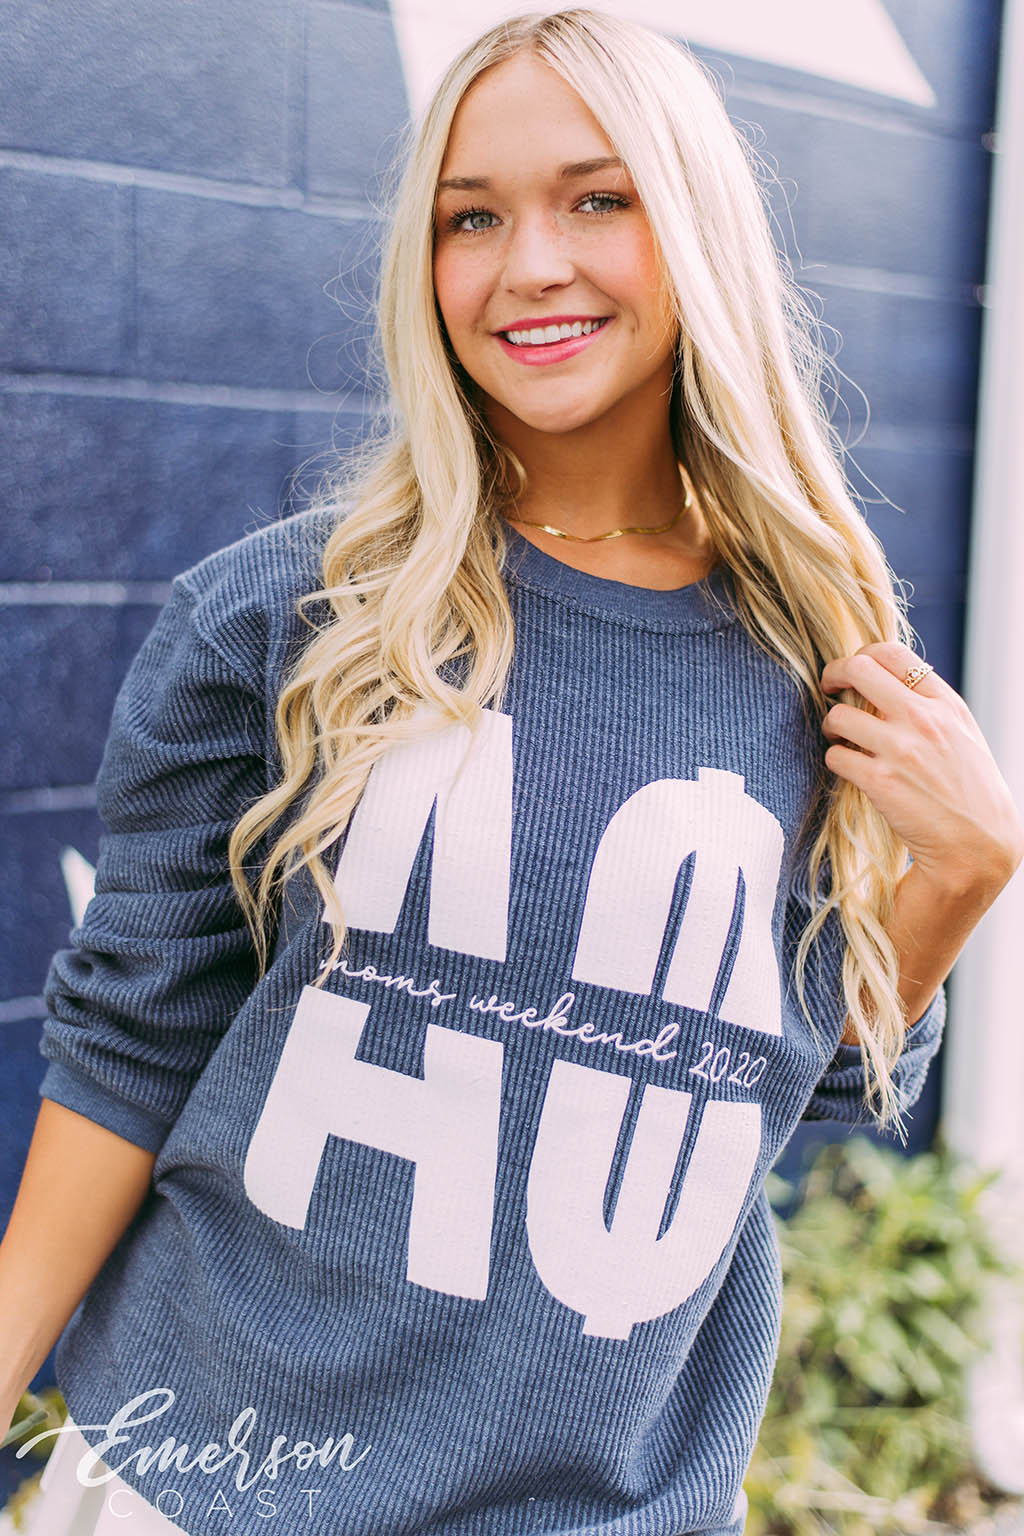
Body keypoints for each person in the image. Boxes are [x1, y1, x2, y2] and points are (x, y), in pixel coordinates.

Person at [2, 9, 1021, 1536]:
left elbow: (781, 1089)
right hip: (203, 1483)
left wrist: (962, 873)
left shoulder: (819, 650)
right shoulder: (286, 619)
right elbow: (128, 1052)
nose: (529, 264)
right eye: (470, 218)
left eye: (597, 199)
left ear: (698, 227)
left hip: (602, 1505)